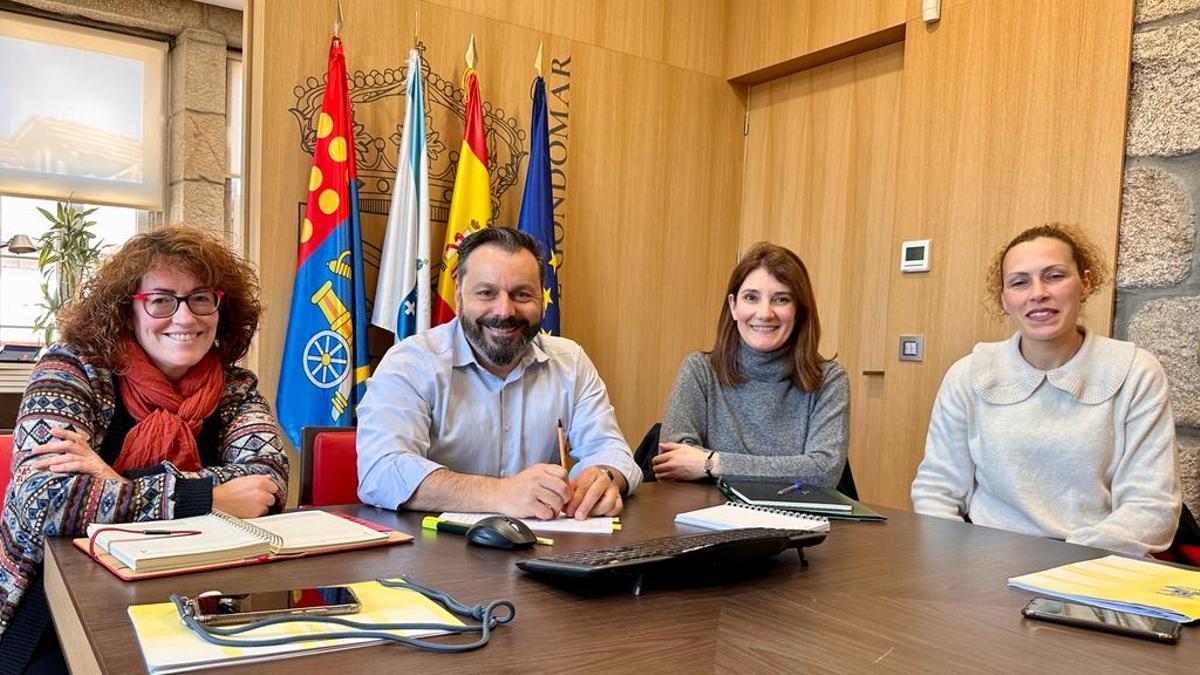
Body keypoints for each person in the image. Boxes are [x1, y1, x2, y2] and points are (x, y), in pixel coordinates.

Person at [0, 226, 288, 673]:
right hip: (51, 606)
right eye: (160, 299)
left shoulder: (236, 388)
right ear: (126, 310)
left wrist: (113, 481)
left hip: (201, 597)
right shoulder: (70, 369)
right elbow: (43, 501)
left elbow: (265, 487)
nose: (185, 317)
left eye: (200, 298)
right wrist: (204, 498)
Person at [910, 223, 1180, 556]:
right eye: (1020, 282)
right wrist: (951, 561)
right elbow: (937, 490)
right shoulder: (967, 374)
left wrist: (1067, 567)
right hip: (983, 564)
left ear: (1086, 283)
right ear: (1005, 300)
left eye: (1054, 276)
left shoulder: (1136, 371)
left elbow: (1151, 507)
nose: (1038, 292)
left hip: (1095, 565)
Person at [356, 227, 639, 519]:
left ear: (542, 298)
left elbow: (611, 449)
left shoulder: (571, 361)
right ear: (460, 296)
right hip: (434, 555)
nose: (504, 311)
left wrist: (604, 477)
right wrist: (500, 493)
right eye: (486, 293)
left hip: (543, 554)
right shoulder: (411, 362)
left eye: (522, 294)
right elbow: (382, 471)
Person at [654, 242, 849, 485]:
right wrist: (791, 469)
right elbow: (674, 462)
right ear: (734, 306)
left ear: (798, 311)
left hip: (795, 521)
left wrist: (712, 463)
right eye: (751, 297)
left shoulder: (828, 379)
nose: (765, 313)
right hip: (709, 516)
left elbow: (823, 471)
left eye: (781, 299)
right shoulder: (700, 370)